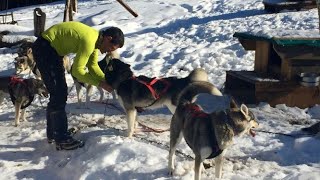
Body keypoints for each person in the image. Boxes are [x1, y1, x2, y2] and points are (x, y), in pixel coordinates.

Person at [32, 21, 124, 150]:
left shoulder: (95, 40)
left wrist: (106, 80)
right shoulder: (89, 41)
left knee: (58, 92)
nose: (108, 52)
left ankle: (54, 133)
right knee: (59, 93)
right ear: (108, 39)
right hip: (45, 48)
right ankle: (61, 138)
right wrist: (100, 84)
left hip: (52, 50)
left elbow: (93, 66)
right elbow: (77, 71)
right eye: (111, 48)